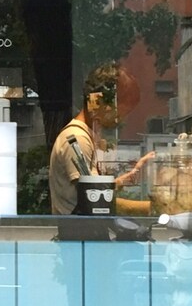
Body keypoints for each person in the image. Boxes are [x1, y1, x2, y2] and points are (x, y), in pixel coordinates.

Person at [48, 63, 151, 215]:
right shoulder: (77, 139)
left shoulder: (86, 135)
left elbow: (94, 190)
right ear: (97, 101)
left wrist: (126, 178)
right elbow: (95, 201)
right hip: (78, 229)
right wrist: (153, 208)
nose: (120, 119)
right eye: (119, 112)